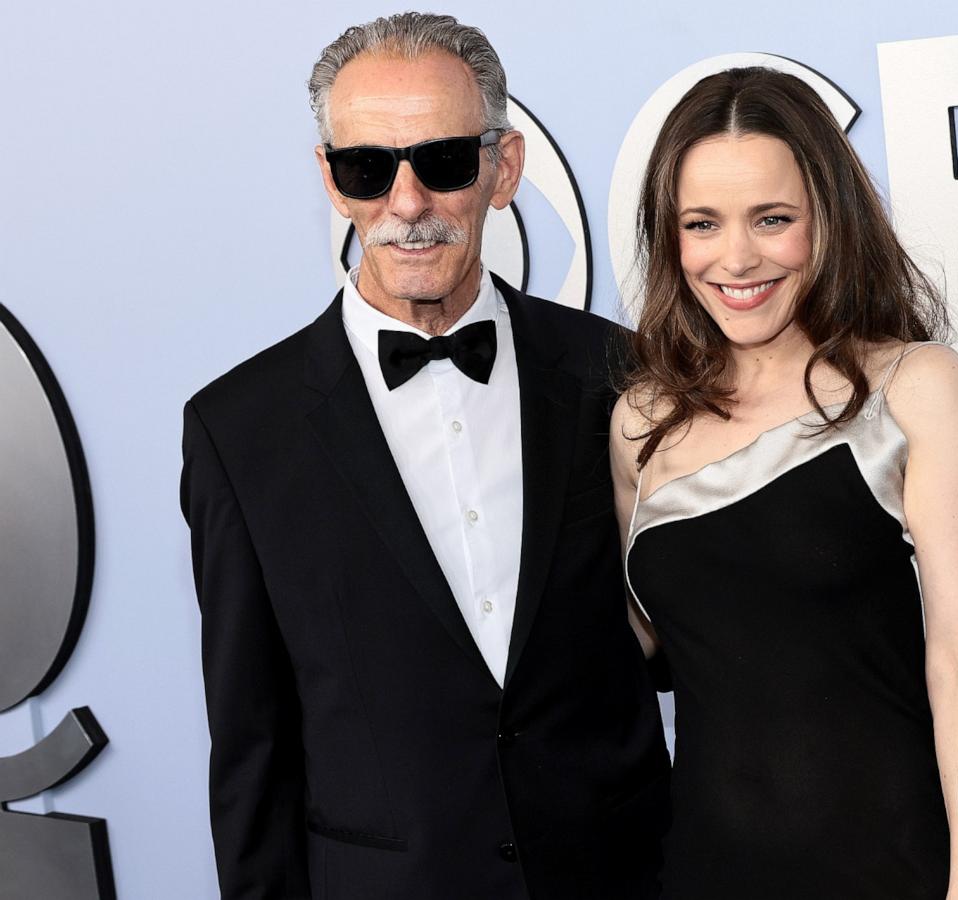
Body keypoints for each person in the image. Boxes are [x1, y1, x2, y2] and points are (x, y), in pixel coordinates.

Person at [180, 13, 668, 899]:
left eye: (442, 162)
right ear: (331, 180)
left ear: (502, 167)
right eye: (369, 167)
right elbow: (250, 742)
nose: (407, 205)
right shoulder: (240, 430)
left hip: (616, 873)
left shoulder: (621, 374)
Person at [610, 67, 958, 900]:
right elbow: (629, 650)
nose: (736, 257)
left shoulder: (916, 385)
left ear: (828, 220)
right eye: (702, 224)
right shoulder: (642, 422)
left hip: (891, 867)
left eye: (773, 219)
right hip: (702, 872)